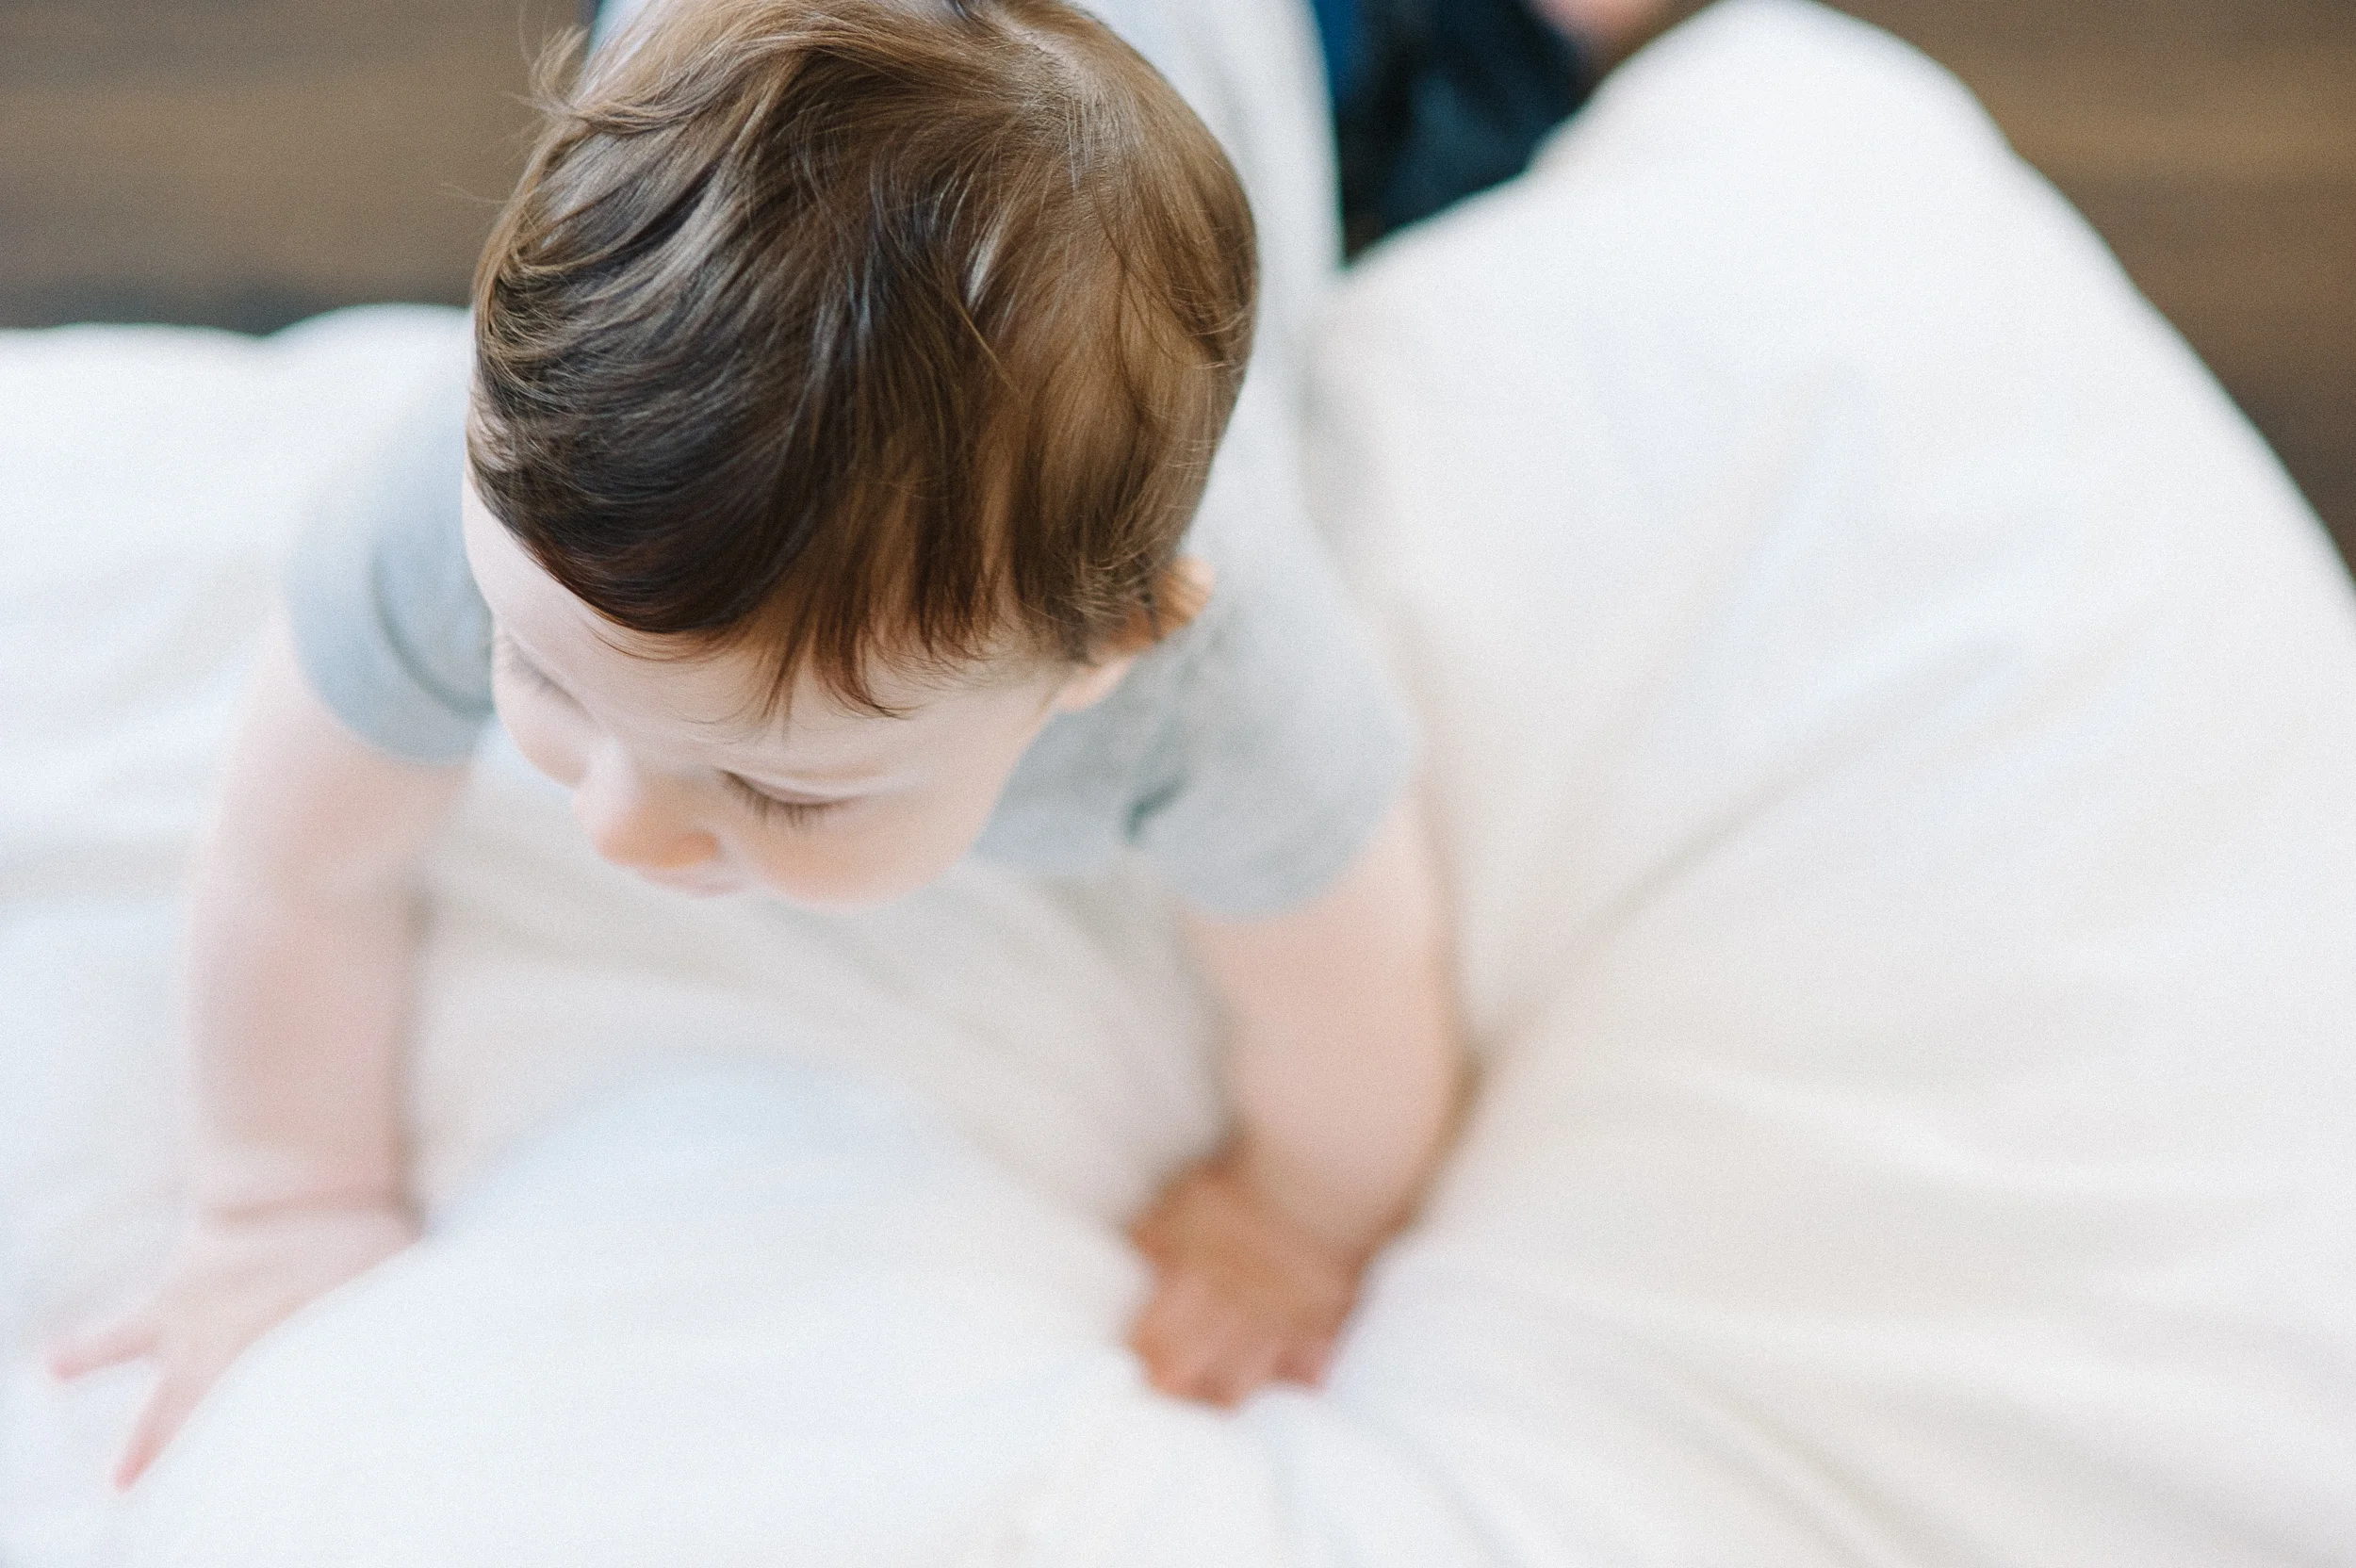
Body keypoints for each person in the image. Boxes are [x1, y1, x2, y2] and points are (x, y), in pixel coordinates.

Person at [48, 0, 1464, 1488]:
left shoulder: (1225, 681)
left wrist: (1295, 1226)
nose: (620, 826)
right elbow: (289, 862)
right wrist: (280, 1197)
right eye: (541, 674)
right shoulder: (487, 486)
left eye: (782, 789)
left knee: (1460, 92)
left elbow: (1359, 988)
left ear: (1107, 649)